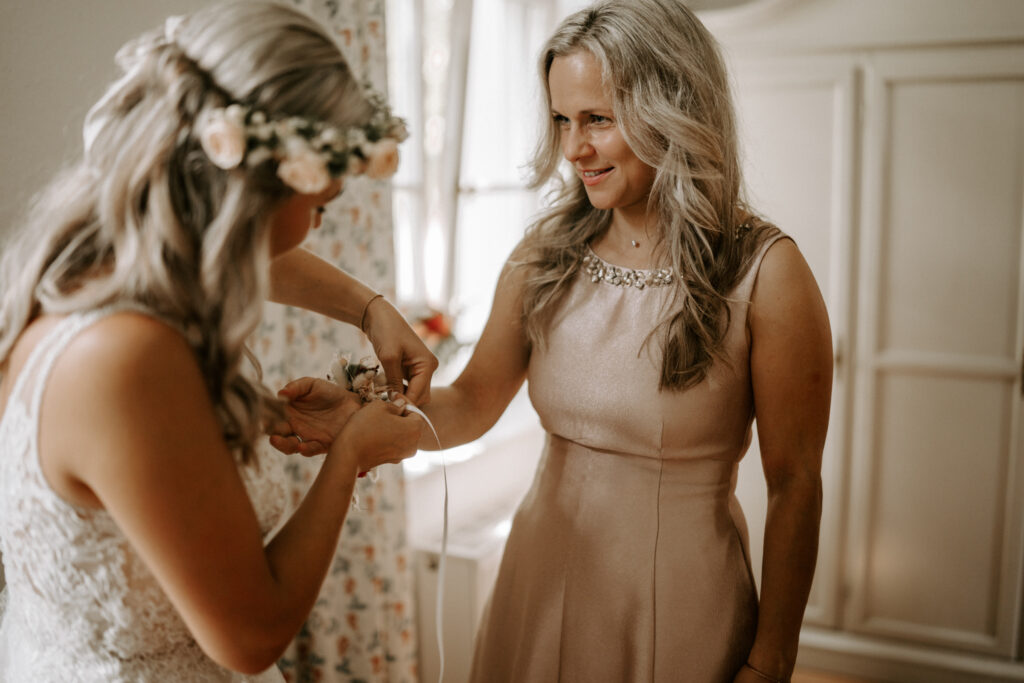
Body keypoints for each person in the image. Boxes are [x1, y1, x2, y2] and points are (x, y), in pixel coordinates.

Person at [277, 0, 832, 681]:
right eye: (563, 120)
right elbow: (473, 401)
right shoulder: (545, 254)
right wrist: (363, 425)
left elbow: (795, 483)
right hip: (540, 573)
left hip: (681, 596)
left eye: (597, 119)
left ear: (673, 107)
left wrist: (773, 656)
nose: (574, 149)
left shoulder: (767, 272)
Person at [0, 2, 432, 681]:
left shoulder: (95, 274)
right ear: (250, 186)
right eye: (318, 206)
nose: (321, 219)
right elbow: (251, 633)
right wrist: (350, 454)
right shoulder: (129, 356)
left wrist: (361, 316)